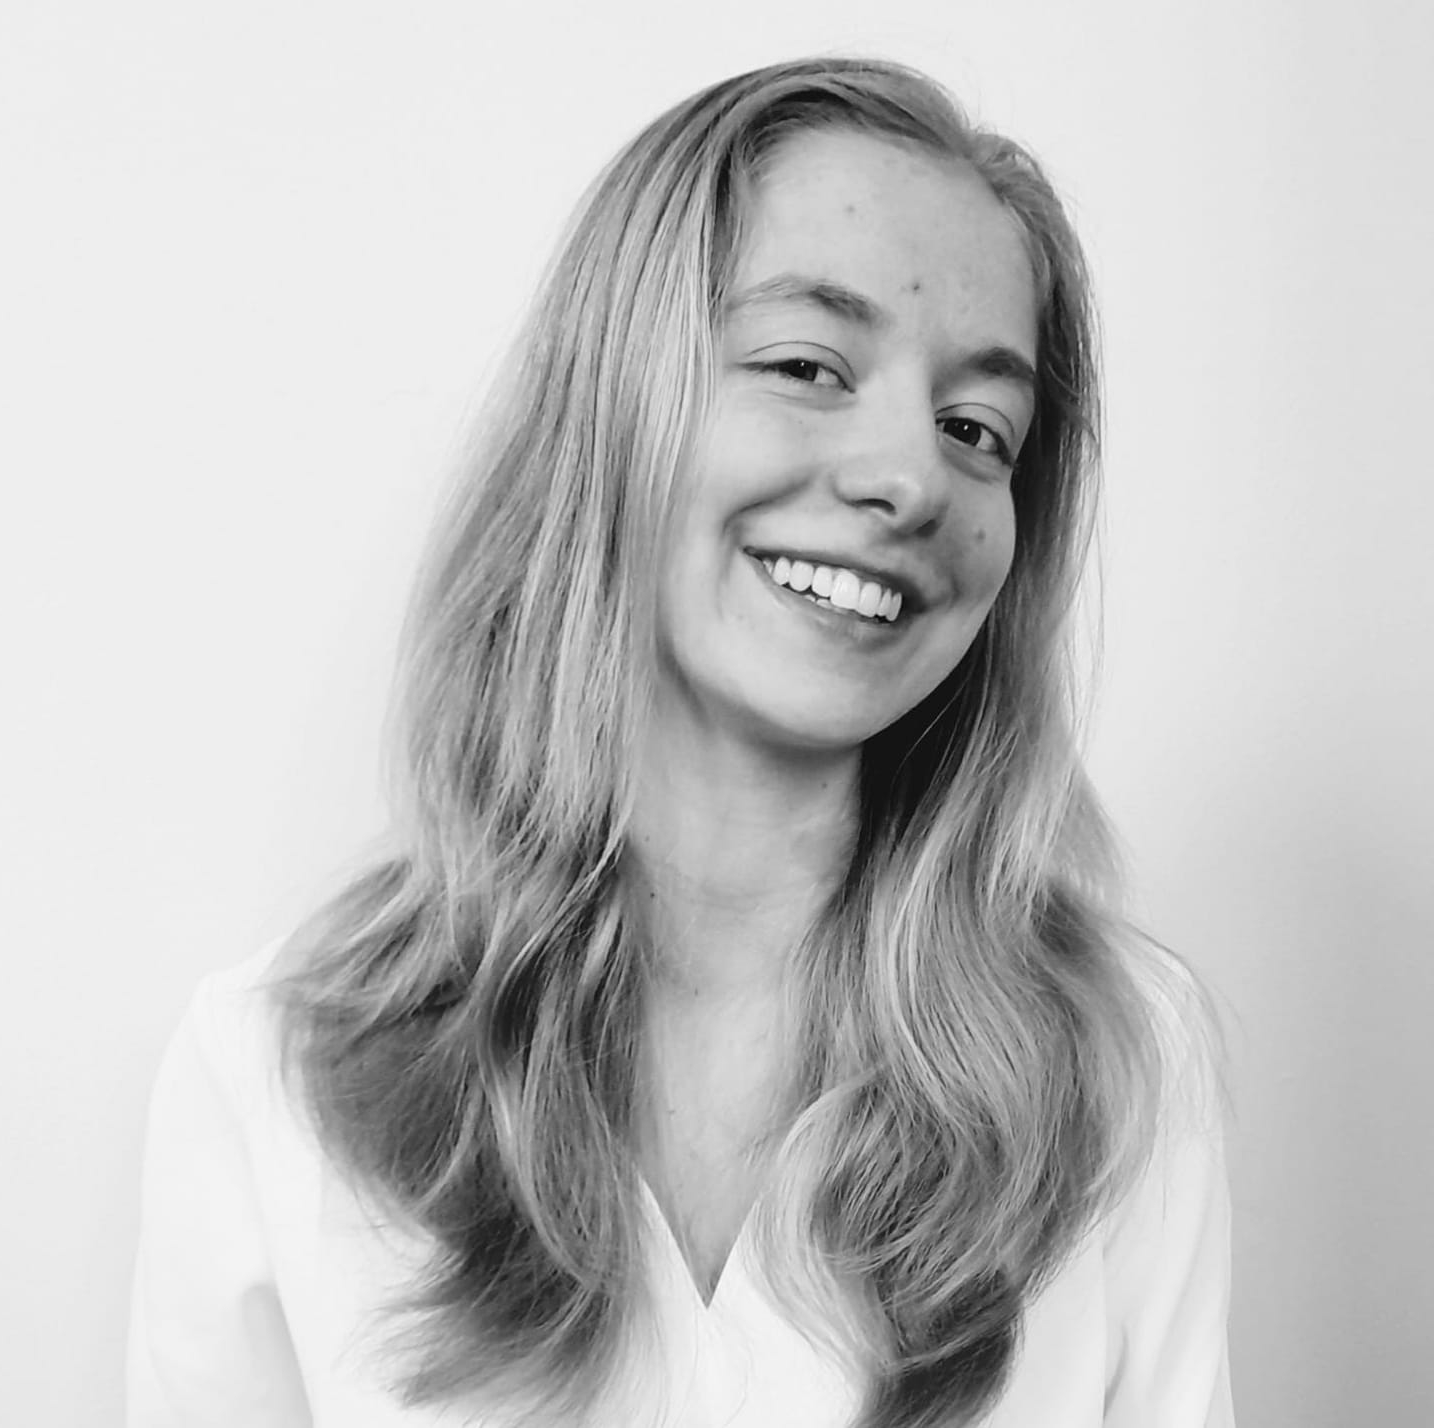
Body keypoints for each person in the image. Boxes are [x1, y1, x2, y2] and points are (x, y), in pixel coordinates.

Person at [127, 54, 1234, 1428]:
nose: (910, 478)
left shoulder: (1123, 1068)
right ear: (613, 407)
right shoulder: (272, 1074)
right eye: (807, 366)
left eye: (978, 428)